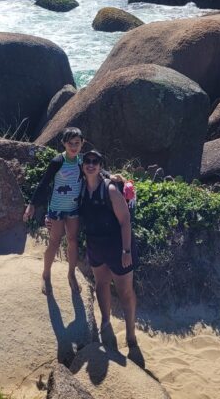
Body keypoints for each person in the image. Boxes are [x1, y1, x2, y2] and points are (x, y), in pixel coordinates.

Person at [78, 149, 138, 351]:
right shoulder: (81, 189)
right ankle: (106, 322)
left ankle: (131, 336)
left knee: (125, 292)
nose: (91, 164)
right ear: (83, 165)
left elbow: (125, 221)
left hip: (117, 246)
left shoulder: (110, 189)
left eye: (96, 161)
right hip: (95, 245)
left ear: (100, 166)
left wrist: (127, 250)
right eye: (87, 161)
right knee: (101, 284)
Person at [23, 127, 84, 293]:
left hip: (73, 209)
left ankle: (71, 274)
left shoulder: (82, 161)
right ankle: (46, 274)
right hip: (56, 209)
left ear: (81, 144)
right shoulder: (58, 161)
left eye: (77, 143)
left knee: (72, 241)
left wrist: (111, 177)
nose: (73, 146)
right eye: (70, 143)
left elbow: (99, 171)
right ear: (64, 143)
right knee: (55, 242)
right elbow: (44, 184)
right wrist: (32, 204)